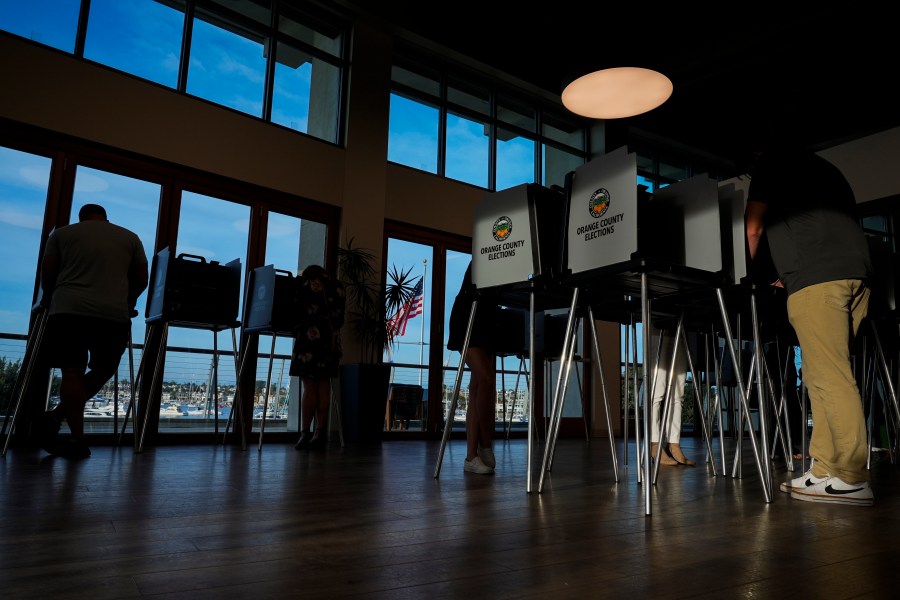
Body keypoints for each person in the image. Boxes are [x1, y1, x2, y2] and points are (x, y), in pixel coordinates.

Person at [744, 144, 874, 506]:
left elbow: (753, 227)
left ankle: (852, 477)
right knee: (821, 376)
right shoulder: (825, 169)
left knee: (829, 377)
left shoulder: (771, 161)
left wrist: (754, 275)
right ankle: (824, 470)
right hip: (856, 275)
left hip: (816, 280)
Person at [35, 203, 148, 458]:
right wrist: (128, 302)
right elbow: (142, 279)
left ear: (81, 218)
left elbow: (48, 273)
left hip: (68, 310)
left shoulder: (62, 234)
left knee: (71, 371)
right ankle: (56, 419)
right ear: (106, 219)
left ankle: (75, 436)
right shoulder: (130, 238)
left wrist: (47, 299)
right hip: (112, 314)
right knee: (104, 369)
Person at [447, 261, 499, 475]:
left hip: (488, 316)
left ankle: (472, 456)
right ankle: (484, 443)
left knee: (478, 385)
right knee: (485, 379)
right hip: (468, 313)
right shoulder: (487, 253)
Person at [291, 264, 346, 451]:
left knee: (309, 387)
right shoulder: (338, 287)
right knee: (324, 386)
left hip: (309, 340)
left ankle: (305, 433)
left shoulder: (305, 284)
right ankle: (320, 433)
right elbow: (340, 320)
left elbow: (295, 313)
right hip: (330, 344)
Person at [645, 324, 695, 467]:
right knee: (656, 393)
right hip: (656, 329)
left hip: (680, 332)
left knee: (678, 394)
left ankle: (674, 444)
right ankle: (654, 444)